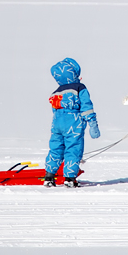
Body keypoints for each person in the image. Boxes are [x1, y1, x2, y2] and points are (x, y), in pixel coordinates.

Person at [44, 57, 100, 188]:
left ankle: (49, 176)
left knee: (55, 149)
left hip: (57, 124)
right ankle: (69, 178)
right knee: (73, 149)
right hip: (73, 123)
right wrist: (92, 123)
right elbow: (86, 106)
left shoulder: (56, 92)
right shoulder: (79, 88)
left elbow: (54, 109)